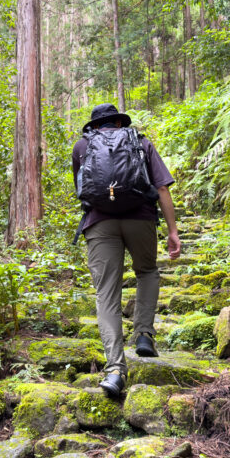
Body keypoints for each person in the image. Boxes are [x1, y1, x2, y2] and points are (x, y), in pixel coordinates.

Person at [72, 103, 181, 398]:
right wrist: (172, 231)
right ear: (120, 124)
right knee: (146, 271)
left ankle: (116, 369)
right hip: (140, 219)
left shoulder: (82, 146)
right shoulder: (141, 142)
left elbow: (83, 192)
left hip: (99, 224)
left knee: (107, 292)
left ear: (95, 126)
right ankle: (144, 333)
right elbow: (162, 189)